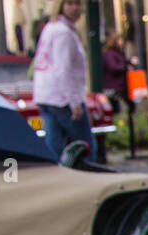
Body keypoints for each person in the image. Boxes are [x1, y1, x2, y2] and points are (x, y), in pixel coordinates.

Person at [32, 0, 94, 162]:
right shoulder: (63, 33)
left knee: (54, 148)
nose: (75, 8)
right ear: (60, 6)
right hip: (62, 99)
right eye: (70, 4)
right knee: (85, 148)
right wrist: (74, 102)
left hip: (45, 95)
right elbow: (62, 69)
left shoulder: (51, 28)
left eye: (78, 4)